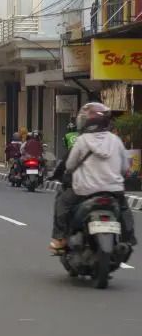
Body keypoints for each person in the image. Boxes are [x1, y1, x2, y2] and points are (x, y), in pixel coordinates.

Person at [51, 102, 136, 251]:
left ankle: (60, 238)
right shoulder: (115, 140)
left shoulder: (82, 140)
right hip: (113, 190)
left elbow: (70, 165)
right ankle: (128, 238)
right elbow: (124, 168)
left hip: (85, 190)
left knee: (62, 202)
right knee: (124, 208)